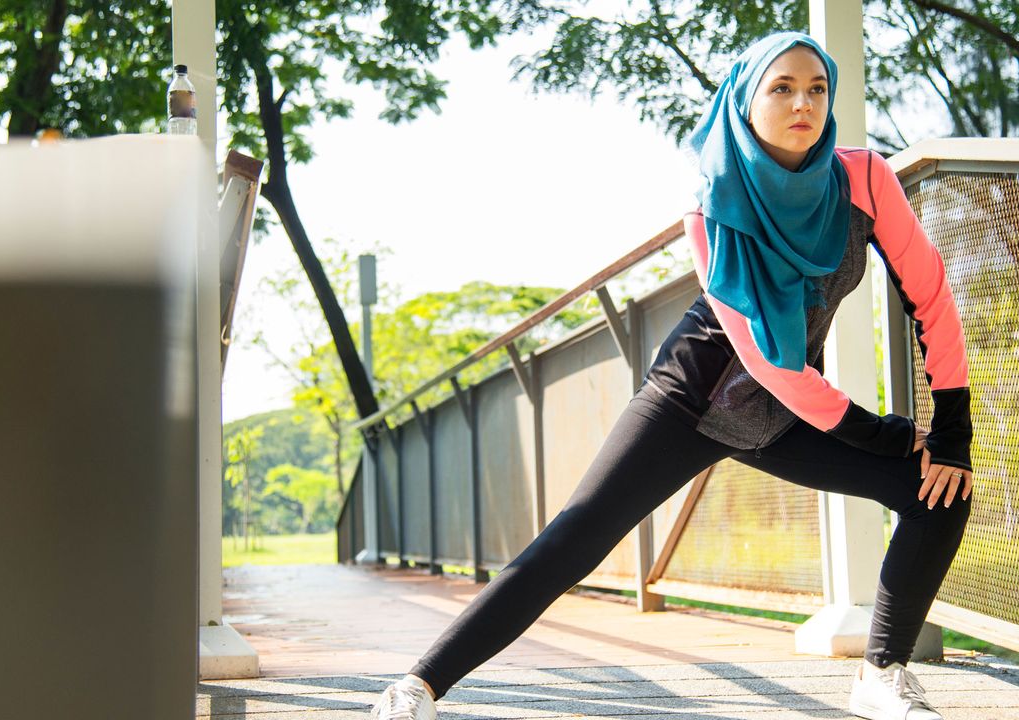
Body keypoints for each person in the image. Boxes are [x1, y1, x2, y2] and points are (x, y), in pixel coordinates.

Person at [368, 31, 974, 720]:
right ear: (746, 101)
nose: (802, 102)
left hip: (785, 416)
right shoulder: (713, 199)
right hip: (691, 398)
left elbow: (931, 292)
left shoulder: (864, 178)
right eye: (781, 88)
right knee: (576, 538)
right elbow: (767, 362)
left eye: (816, 88)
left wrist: (951, 427)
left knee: (940, 488)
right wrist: (892, 435)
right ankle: (419, 685)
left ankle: (882, 673)